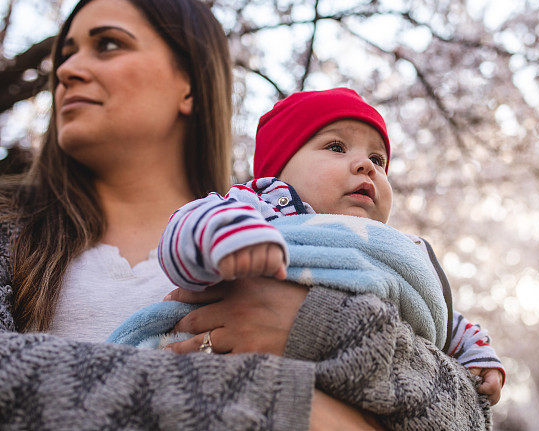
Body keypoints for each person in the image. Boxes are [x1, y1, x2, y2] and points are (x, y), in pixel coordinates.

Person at [0, 0, 491, 429]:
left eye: (108, 44)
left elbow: (467, 414)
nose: (65, 70)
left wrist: (321, 327)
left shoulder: (331, 239)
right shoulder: (14, 234)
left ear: (190, 83)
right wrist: (284, 404)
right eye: (64, 53)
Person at [150, 88, 505, 404]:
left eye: (379, 160)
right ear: (278, 171)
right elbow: (184, 229)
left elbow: (432, 312)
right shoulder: (255, 208)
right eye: (336, 147)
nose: (366, 165)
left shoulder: (393, 251)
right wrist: (229, 240)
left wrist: (474, 355)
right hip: (239, 385)